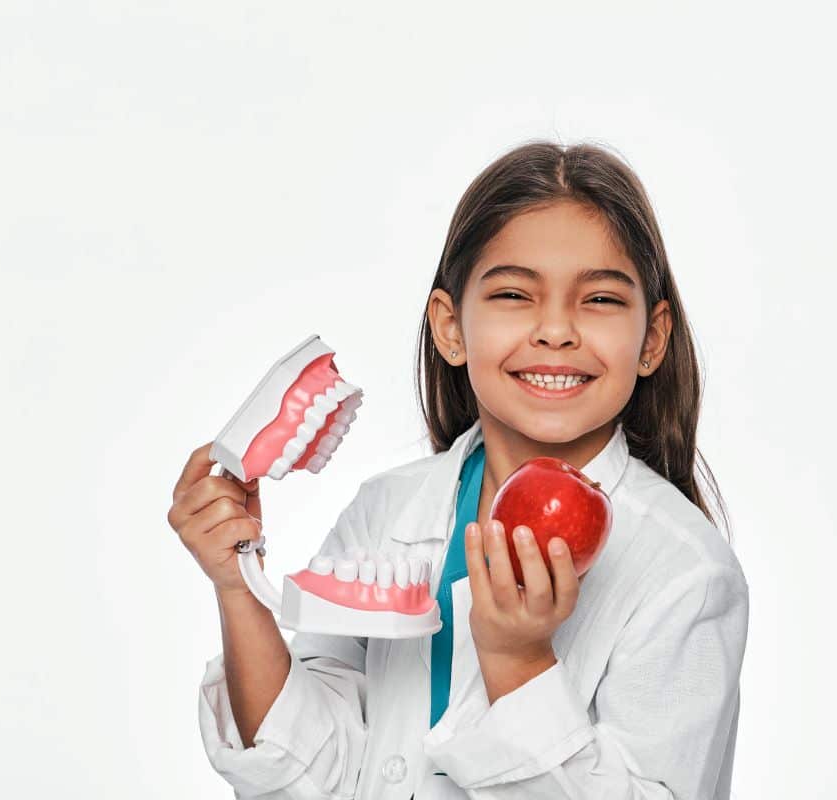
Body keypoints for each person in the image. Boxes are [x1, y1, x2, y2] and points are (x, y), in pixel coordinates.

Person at [167, 140, 750, 799]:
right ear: (450, 328)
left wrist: (518, 662)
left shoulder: (684, 574)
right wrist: (237, 583)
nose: (556, 331)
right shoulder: (386, 512)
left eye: (601, 301)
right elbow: (305, 780)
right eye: (512, 294)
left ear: (651, 340)